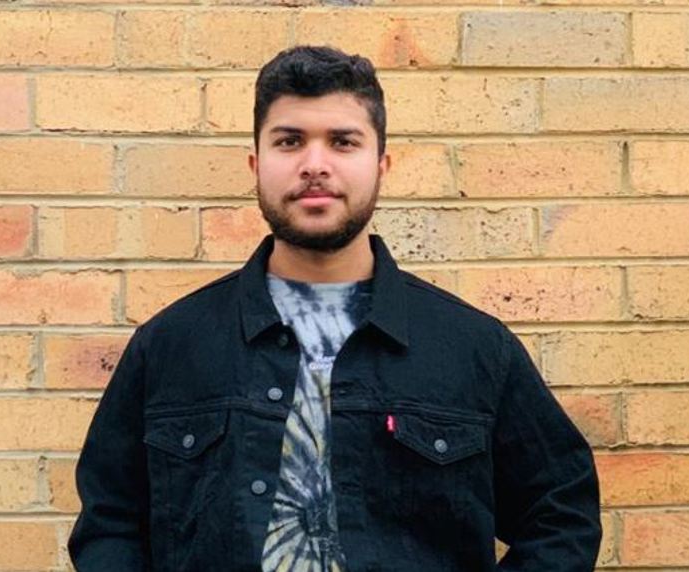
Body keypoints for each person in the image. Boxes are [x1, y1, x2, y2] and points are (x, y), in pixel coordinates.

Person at [68, 45, 601, 571]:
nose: (314, 165)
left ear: (381, 163)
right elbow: (110, 522)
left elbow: (561, 513)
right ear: (256, 162)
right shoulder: (171, 345)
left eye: (343, 142)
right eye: (290, 141)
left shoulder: (474, 348)